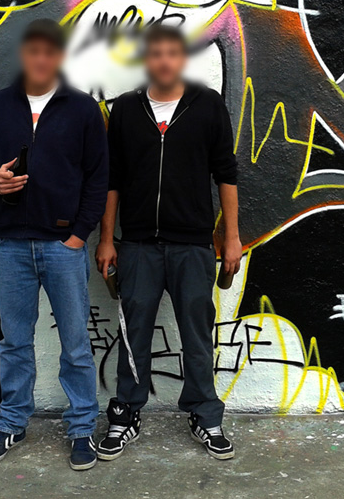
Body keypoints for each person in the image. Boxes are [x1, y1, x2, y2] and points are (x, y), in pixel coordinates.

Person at [94, 23, 241, 461]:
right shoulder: (125, 109)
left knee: (197, 333)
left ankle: (205, 414)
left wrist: (232, 237)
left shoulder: (207, 105)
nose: (163, 60)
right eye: (155, 53)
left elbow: (226, 174)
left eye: (172, 53)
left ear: (182, 59)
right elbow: (112, 180)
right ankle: (126, 414)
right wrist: (107, 239)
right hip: (138, 245)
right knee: (134, 331)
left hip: (193, 245)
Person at [0, 18, 108, 471]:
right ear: (23, 55)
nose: (41, 59)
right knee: (14, 343)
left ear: (60, 56)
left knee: (75, 344)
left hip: (62, 247)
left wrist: (78, 236)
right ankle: (12, 423)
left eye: (50, 52)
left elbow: (98, 178)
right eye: (34, 51)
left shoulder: (82, 109)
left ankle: (82, 428)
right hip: (10, 245)